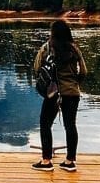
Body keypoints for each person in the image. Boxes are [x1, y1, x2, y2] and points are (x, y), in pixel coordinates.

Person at [32, 19, 87, 172]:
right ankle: (69, 161)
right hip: (72, 93)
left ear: (53, 33)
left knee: (45, 124)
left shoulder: (47, 48)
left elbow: (37, 68)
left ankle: (46, 161)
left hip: (53, 93)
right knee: (70, 125)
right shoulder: (75, 49)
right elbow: (83, 71)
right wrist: (74, 83)